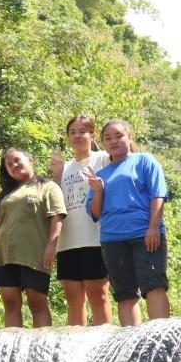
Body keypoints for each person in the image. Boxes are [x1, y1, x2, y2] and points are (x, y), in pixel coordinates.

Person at [85, 119, 171, 326]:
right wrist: (98, 191)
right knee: (124, 292)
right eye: (108, 138)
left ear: (129, 137)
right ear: (103, 143)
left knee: (154, 285)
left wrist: (153, 227)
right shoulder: (100, 175)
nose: (113, 141)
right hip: (112, 238)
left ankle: (162, 336)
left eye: (119, 136)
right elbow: (94, 213)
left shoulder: (144, 161)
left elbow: (158, 195)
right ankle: (132, 344)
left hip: (145, 233)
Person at [0, 149, 67, 328]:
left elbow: (57, 216)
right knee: (10, 305)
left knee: (38, 304)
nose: (14, 166)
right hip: (3, 255)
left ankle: (42, 347)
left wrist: (51, 246)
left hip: (33, 254)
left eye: (17, 160)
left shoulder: (48, 186)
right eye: (9, 165)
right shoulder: (7, 193)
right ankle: (13, 350)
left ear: (30, 159)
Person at [50, 116, 112, 325]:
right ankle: (75, 345)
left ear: (92, 135)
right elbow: (56, 203)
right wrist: (57, 176)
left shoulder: (103, 158)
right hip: (67, 241)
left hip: (95, 237)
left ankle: (106, 344)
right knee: (73, 298)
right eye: (72, 132)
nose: (77, 136)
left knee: (98, 294)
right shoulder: (64, 167)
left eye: (82, 131)